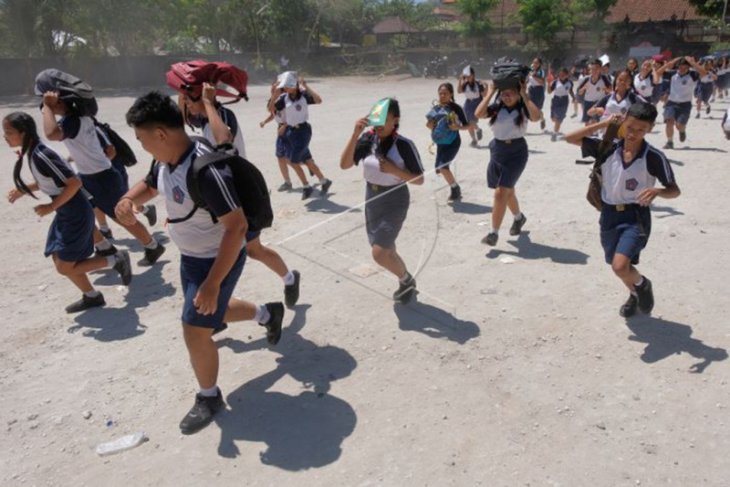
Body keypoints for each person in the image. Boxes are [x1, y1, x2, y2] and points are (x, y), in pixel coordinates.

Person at [120, 92, 285, 434]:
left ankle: (208, 396)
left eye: (142, 139)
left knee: (195, 329)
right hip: (192, 259)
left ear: (161, 134)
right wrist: (127, 199)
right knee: (214, 313)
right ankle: (268, 313)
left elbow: (237, 227)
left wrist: (212, 283)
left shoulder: (205, 172)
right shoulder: (165, 161)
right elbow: (151, 185)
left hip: (216, 261)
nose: (142, 147)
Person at [179, 82, 301, 308]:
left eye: (189, 100)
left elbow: (223, 137)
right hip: (222, 196)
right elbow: (184, 119)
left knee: (243, 252)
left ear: (206, 98)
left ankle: (288, 281)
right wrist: (184, 94)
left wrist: (207, 101)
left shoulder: (222, 115)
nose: (186, 105)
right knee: (248, 251)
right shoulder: (204, 116)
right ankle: (288, 279)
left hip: (239, 195)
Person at [3, 112, 131, 313]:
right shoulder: (33, 153)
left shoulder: (42, 154)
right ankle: (92, 296)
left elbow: (74, 182)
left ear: (23, 132)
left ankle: (115, 260)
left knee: (64, 265)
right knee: (58, 257)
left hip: (75, 211)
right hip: (66, 210)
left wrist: (50, 207)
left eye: (8, 132)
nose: (5, 136)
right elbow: (52, 181)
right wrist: (23, 190)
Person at [565, 102, 680, 317]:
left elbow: (674, 190)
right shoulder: (608, 146)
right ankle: (636, 293)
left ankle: (642, 285)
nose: (633, 134)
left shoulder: (653, 156)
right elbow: (570, 138)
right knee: (619, 267)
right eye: (630, 127)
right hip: (608, 214)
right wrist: (605, 122)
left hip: (635, 216)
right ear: (624, 120)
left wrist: (658, 192)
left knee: (620, 266)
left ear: (650, 128)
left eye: (641, 130)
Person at [41, 91, 164, 266]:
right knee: (82, 211)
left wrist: (47, 105)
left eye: (54, 104)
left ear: (61, 103)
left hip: (102, 177)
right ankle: (104, 247)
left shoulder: (73, 121)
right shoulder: (79, 120)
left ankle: (152, 246)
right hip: (88, 176)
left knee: (122, 216)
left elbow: (51, 133)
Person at [340, 98, 424, 304]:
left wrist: (395, 170)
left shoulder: (403, 144)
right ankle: (405, 279)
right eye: (375, 119)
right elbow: (344, 165)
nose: (377, 125)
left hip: (395, 198)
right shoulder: (368, 138)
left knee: (379, 253)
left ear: (395, 119)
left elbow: (419, 179)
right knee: (387, 249)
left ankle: (406, 279)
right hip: (372, 197)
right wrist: (354, 135)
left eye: (383, 119)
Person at [474, 80, 541, 246]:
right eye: (504, 93)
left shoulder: (523, 108)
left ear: (518, 93)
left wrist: (525, 94)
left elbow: (536, 117)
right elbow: (478, 114)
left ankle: (493, 233)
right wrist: (490, 93)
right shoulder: (497, 109)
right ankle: (519, 218)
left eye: (511, 92)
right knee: (507, 191)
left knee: (500, 192)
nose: (507, 96)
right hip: (497, 150)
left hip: (517, 152)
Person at [269, 72, 332, 200]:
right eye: (284, 86)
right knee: (307, 160)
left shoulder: (303, 95)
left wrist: (306, 86)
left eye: (288, 86)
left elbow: (319, 100)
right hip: (291, 132)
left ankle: (306, 186)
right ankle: (324, 181)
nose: (285, 88)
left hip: (303, 131)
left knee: (293, 161)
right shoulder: (284, 98)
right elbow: (272, 109)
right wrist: (274, 96)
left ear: (295, 85)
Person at [426, 82, 469, 202]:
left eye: (445, 93)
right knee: (440, 168)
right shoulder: (436, 108)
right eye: (440, 93)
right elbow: (430, 125)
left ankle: (455, 189)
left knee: (443, 167)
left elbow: (467, 125)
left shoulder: (456, 108)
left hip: (453, 142)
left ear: (451, 94)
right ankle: (454, 187)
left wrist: (457, 128)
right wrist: (430, 125)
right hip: (440, 142)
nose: (442, 96)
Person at [654, 56, 708, 148]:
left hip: (685, 104)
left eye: (685, 67)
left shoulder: (692, 75)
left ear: (688, 67)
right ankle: (670, 142)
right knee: (669, 122)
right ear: (677, 66)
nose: (682, 69)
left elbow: (704, 73)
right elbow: (658, 73)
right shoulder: (672, 74)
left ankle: (682, 131)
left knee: (679, 125)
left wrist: (693, 63)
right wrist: (669, 63)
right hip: (671, 102)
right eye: (680, 67)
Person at [260, 79, 293, 192]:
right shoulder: (273, 100)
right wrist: (265, 121)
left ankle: (309, 165)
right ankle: (287, 182)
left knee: (291, 158)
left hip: (290, 129)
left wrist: (285, 125)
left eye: (277, 85)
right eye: (273, 84)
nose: (273, 86)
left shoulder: (286, 98)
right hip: (281, 130)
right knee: (280, 156)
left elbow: (294, 115)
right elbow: (273, 113)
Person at [576, 59, 612, 126]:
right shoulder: (586, 79)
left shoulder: (604, 78)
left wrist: (606, 89)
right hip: (588, 102)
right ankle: (587, 135)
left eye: (596, 69)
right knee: (587, 123)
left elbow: (611, 91)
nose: (594, 71)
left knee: (597, 122)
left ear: (600, 69)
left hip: (599, 103)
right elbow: (579, 93)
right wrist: (583, 88)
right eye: (592, 69)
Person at [457, 66, 486, 147]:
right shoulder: (465, 84)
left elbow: (484, 94)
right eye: (466, 76)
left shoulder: (478, 83)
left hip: (477, 103)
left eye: (469, 75)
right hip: (468, 103)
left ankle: (478, 130)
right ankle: (474, 139)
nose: (468, 77)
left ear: (473, 75)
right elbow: (459, 91)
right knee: (467, 122)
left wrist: (486, 86)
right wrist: (460, 80)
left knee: (471, 121)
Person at [547, 67, 575, 141]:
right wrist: (548, 83)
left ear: (567, 75)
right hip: (556, 100)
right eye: (560, 74)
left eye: (563, 74)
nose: (561, 76)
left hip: (564, 101)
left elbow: (571, 91)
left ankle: (554, 133)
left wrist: (574, 98)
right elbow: (549, 92)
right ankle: (556, 130)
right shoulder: (555, 82)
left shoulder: (570, 83)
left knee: (558, 119)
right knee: (554, 119)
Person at [527, 57, 547, 130]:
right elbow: (528, 80)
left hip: (538, 91)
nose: (534, 64)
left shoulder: (541, 71)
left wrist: (533, 75)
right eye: (534, 62)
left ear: (539, 64)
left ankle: (542, 120)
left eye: (536, 63)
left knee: (537, 109)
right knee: (527, 107)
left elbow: (541, 82)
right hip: (531, 90)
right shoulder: (531, 71)